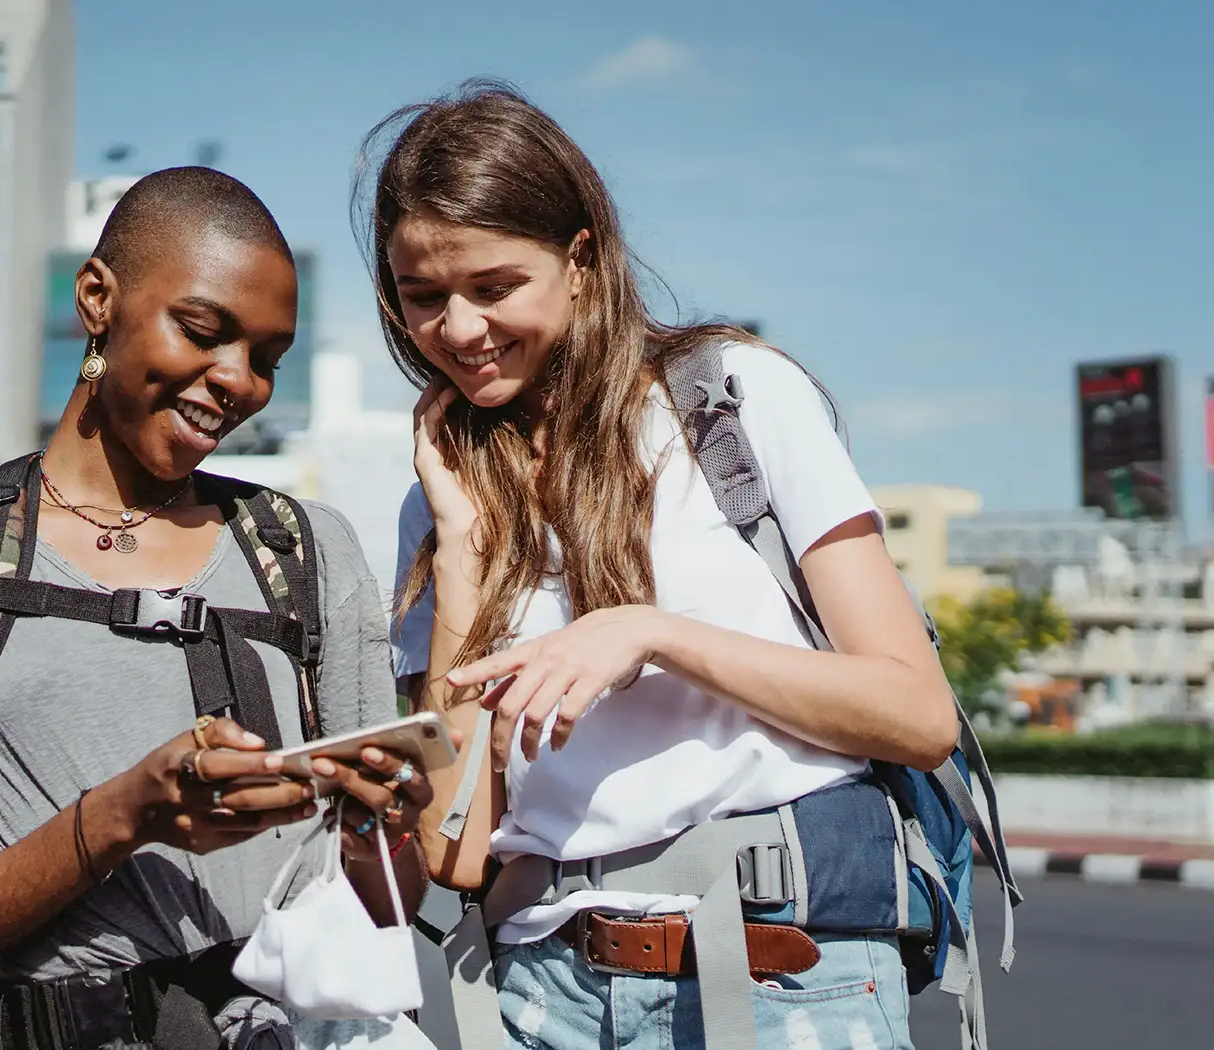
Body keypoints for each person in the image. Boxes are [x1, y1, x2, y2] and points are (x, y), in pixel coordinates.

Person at [366, 83, 961, 1049]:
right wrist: (466, 554)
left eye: (493, 286)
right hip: (541, 996)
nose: (460, 331)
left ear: (581, 259)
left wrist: (654, 633)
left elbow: (916, 716)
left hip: (778, 975)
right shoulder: (438, 503)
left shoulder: (733, 400)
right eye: (423, 297)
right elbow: (455, 847)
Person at [0, 167, 436, 1050]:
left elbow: (381, 897)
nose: (237, 382)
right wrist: (129, 812)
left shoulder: (307, 551)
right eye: (204, 332)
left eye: (268, 360)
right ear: (98, 298)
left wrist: (377, 830)